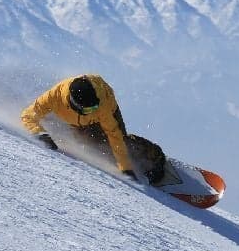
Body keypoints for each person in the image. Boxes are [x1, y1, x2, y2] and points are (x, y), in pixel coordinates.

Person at [20, 74, 167, 183]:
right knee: (94, 144)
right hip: (78, 122)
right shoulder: (53, 97)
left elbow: (114, 135)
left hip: (109, 110)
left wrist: (125, 168)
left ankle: (155, 155)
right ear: (75, 105)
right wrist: (40, 133)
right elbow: (28, 115)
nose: (93, 110)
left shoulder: (101, 106)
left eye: (94, 107)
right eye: (90, 109)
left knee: (121, 142)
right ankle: (121, 155)